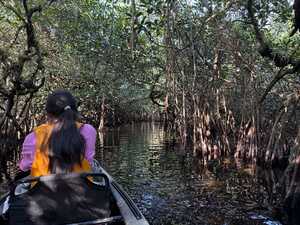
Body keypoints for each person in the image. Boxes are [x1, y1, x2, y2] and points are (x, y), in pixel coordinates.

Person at [19, 90, 97, 177]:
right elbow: (89, 161)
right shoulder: (88, 130)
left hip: (43, 188)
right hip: (83, 187)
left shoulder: (32, 137)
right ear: (74, 111)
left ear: (48, 114)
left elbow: (25, 167)